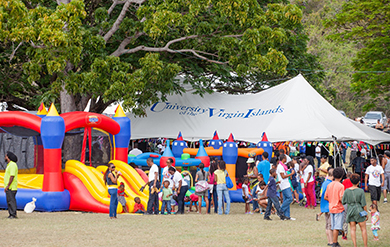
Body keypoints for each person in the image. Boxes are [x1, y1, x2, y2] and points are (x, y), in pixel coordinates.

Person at [341, 173, 368, 247]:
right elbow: (363, 204)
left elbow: (343, 201)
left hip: (350, 210)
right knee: (363, 229)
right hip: (359, 209)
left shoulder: (346, 191)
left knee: (352, 229)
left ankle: (355, 245)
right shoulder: (360, 191)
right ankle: (365, 245)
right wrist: (365, 213)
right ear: (359, 182)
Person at [324, 167, 345, 247]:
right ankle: (335, 242)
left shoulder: (329, 184)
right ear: (341, 176)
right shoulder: (341, 186)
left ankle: (334, 242)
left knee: (333, 226)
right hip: (338, 208)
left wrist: (332, 199)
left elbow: (325, 197)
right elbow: (341, 198)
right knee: (337, 226)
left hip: (331, 207)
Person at [317, 168, 334, 246]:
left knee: (327, 225)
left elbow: (321, 194)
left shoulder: (324, 183)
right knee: (330, 226)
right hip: (330, 206)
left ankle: (329, 241)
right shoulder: (331, 184)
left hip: (324, 206)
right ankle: (331, 242)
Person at [276, 154, 295, 220]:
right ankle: (280, 210)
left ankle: (287, 216)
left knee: (286, 200)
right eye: (286, 158)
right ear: (283, 158)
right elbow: (283, 176)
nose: (286, 159)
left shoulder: (283, 166)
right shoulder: (280, 166)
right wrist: (291, 174)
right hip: (284, 184)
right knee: (290, 198)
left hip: (286, 184)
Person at [4, 151, 18, 219]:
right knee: (9, 201)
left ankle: (13, 214)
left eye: (6, 156)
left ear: (8, 157)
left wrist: (8, 186)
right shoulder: (9, 165)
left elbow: (12, 176)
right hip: (9, 187)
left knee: (11, 201)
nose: (5, 157)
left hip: (11, 187)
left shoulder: (12, 165)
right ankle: (11, 214)